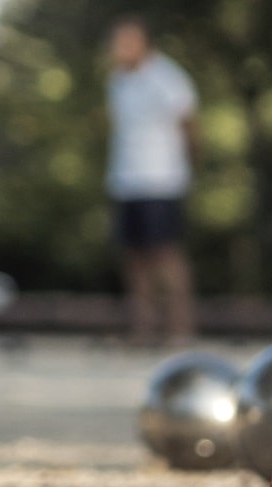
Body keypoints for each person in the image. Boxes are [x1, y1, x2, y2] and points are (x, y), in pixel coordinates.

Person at [106, 15, 200, 347]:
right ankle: (143, 330)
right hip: (126, 179)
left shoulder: (167, 78)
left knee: (166, 256)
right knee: (134, 258)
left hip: (161, 179)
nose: (120, 48)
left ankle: (180, 331)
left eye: (128, 41)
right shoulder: (118, 81)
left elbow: (189, 124)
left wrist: (191, 166)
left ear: (146, 43)